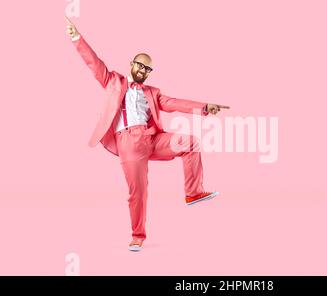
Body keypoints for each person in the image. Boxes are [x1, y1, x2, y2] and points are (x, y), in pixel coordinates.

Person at [65, 16, 230, 252]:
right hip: (128, 143)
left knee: (190, 142)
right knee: (138, 192)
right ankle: (137, 235)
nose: (143, 70)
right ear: (132, 63)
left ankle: (193, 193)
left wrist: (204, 107)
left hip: (152, 138)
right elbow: (94, 63)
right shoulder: (113, 80)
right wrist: (76, 37)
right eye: (140, 65)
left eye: (148, 68)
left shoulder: (152, 91)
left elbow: (174, 103)